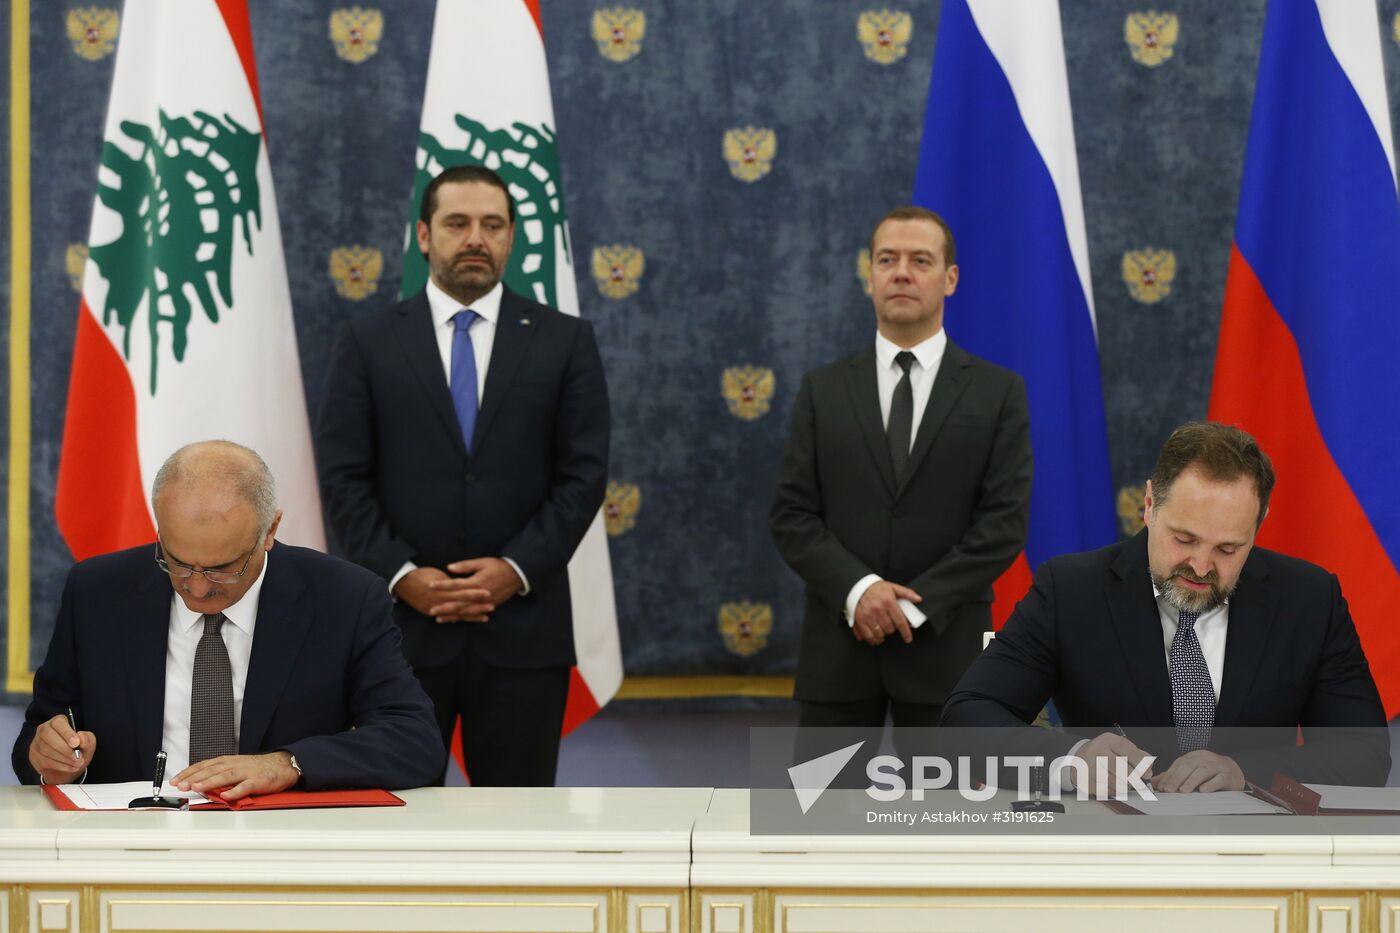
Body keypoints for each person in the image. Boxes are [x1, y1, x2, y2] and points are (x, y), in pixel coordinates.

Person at [316, 164, 609, 787]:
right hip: (397, 636)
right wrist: (403, 576)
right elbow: (342, 479)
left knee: (519, 835)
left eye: (492, 225)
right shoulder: (367, 342)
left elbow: (582, 476)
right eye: (457, 223)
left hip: (524, 635)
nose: (475, 237)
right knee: (392, 829)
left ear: (510, 238)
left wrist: (515, 570)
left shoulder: (565, 341)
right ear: (424, 236)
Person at [943, 421, 1390, 792]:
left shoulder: (1309, 598)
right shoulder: (1072, 589)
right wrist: (1073, 758)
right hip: (1112, 850)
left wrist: (1245, 773)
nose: (1201, 566)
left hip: (1256, 856)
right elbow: (966, 719)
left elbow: (1365, 753)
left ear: (1260, 523)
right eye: (1184, 539)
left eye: (1228, 549)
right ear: (1150, 505)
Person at [14, 440, 444, 797]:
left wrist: (289, 764)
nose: (198, 587)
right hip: (134, 843)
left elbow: (414, 740)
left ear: (270, 530)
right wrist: (52, 758)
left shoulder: (344, 597)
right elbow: (41, 733)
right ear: (160, 532)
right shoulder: (98, 592)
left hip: (279, 847)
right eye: (178, 563)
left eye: (224, 568)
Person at [769, 206, 1033, 739]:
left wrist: (912, 607)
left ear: (950, 278)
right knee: (824, 821)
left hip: (947, 657)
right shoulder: (822, 389)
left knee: (943, 821)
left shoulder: (997, 393)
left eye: (921, 260)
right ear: (869, 275)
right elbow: (792, 515)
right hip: (838, 656)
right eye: (887, 259)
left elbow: (1002, 524)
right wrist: (860, 590)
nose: (902, 272)